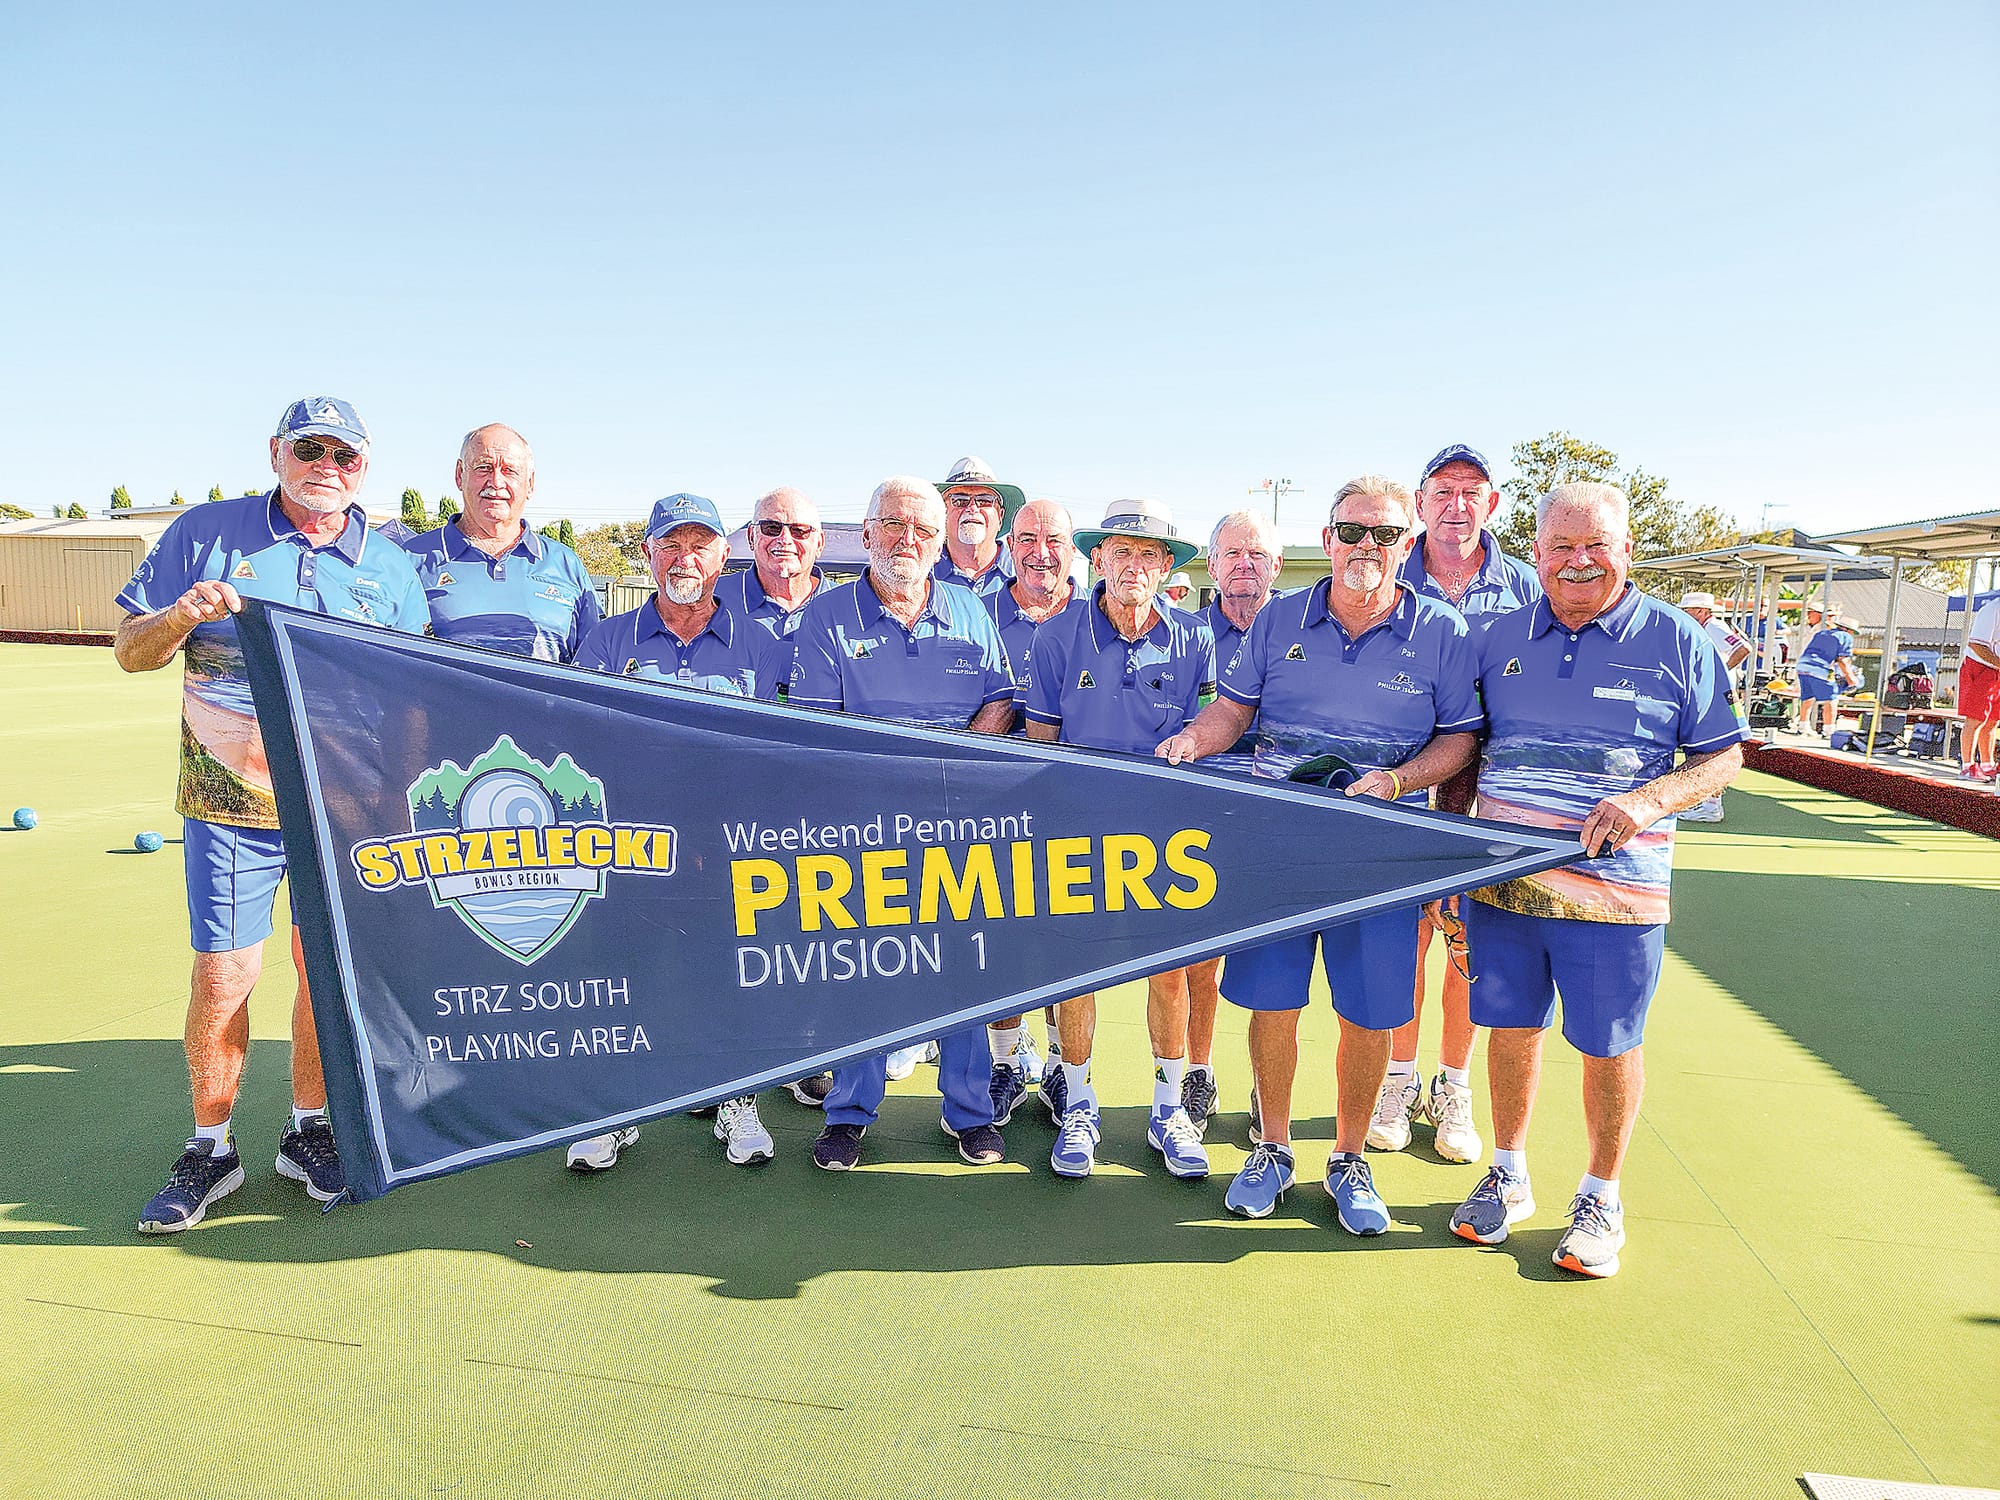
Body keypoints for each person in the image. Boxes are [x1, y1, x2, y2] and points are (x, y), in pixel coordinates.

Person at [115, 397, 428, 1232]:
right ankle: (210, 1146)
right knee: (224, 974)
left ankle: (307, 1130)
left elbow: (409, 697)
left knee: (321, 969)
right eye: (309, 448)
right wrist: (181, 616)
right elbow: (130, 651)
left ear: (364, 466)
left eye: (344, 454)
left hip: (342, 808)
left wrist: (394, 800)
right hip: (228, 802)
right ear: (276, 452)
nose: (326, 465)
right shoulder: (205, 533)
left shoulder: (391, 566)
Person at [1159, 477, 1481, 1230]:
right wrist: (1193, 740)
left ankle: (1349, 1159)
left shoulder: (1443, 630)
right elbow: (1231, 710)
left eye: (1386, 534)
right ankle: (1272, 1148)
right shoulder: (1279, 619)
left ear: (1408, 544)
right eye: (1353, 531)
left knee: (1369, 1013)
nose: (1368, 546)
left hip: (1380, 858)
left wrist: (1398, 780)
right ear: (1329, 537)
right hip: (1281, 849)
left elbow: (1460, 740)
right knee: (1273, 1003)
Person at [1449, 481, 1746, 1278]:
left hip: (1620, 895)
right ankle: (1507, 1175)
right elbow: (1465, 750)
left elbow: (1723, 756)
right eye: (1562, 547)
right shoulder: (1496, 637)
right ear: (1536, 552)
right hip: (1505, 887)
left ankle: (1600, 1197)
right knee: (1510, 1027)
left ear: (1626, 550)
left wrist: (1647, 801)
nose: (1578, 562)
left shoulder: (1679, 638)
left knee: (1610, 1045)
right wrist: (1450, 860)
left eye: (1596, 546)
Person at [789, 477, 1018, 1171]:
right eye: (893, 524)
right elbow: (821, 732)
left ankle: (969, 1113)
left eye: (922, 529)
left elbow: (1000, 702)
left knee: (963, 969)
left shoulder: (971, 611)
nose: (907, 539)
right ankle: (848, 1114)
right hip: (861, 833)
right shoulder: (827, 617)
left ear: (940, 541)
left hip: (955, 831)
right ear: (867, 534)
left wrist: (950, 773)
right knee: (864, 972)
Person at [562, 494, 795, 1173]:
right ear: (648, 555)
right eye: (670, 544)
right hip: (630, 847)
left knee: (732, 977)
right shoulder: (608, 642)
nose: (684, 559)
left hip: (726, 849)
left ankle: (736, 1102)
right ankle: (617, 1110)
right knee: (623, 978)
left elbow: (779, 753)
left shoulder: (762, 646)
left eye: (699, 545)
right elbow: (578, 743)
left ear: (724, 557)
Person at [1026, 498, 1215, 1180]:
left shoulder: (1196, 638)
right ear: (1098, 559)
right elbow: (1041, 746)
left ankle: (1168, 1109)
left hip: (1168, 841)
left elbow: (1206, 737)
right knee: (1077, 976)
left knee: (1169, 974)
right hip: (1078, 837)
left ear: (1166, 567)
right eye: (1121, 553)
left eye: (1148, 555)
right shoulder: (1055, 637)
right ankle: (1079, 1103)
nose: (1134, 566)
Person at [1379, 444, 1544, 1163]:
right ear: (1420, 503)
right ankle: (1397, 1078)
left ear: (1492, 504)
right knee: (1404, 939)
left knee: (1469, 942)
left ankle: (1454, 1085)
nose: (1457, 504)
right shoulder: (1391, 568)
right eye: (1443, 490)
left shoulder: (1527, 586)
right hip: (1406, 781)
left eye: (1472, 490)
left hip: (1493, 789)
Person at [714, 486, 836, 1106]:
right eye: (770, 528)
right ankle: (722, 1060)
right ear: (749, 536)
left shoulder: (842, 608)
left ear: (820, 542)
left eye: (799, 530)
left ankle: (805, 1049)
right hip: (737, 791)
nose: (784, 540)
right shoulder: (717, 600)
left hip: (818, 796)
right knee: (733, 927)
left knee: (810, 926)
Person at [981, 499, 1087, 1116]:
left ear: (1074, 551)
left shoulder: (1097, 618)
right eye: (1026, 539)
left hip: (1069, 806)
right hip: (995, 803)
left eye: (1053, 541)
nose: (1039, 553)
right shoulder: (977, 612)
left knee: (1062, 942)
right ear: (1008, 545)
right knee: (1003, 938)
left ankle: (1057, 1065)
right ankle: (1003, 1062)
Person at [1180, 510, 1282, 1135]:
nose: (1244, 565)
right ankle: (1198, 1071)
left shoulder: (1299, 627)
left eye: (1257, 554)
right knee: (1201, 959)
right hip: (1202, 820)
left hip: (1276, 819)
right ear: (1212, 565)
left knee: (1272, 962)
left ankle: (1264, 1085)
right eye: (1232, 554)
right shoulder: (1187, 635)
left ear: (1277, 565)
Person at [403, 424, 600, 660]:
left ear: (530, 483)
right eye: (483, 467)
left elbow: (594, 664)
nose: (496, 482)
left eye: (510, 470)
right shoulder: (409, 561)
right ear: (459, 474)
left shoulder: (566, 565)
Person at [1676, 591, 1751, 823]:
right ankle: (1707, 803)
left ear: (1701, 611)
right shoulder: (1704, 628)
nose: (1684, 614)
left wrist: (1721, 671)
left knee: (1714, 746)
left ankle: (1711, 805)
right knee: (1706, 746)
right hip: (1715, 693)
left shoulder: (1714, 627)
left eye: (1687, 610)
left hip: (1720, 694)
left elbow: (1744, 648)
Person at [932, 456, 1021, 598]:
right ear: (943, 513)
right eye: (960, 500)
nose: (972, 508)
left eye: (985, 501)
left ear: (1000, 516)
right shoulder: (922, 572)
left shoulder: (1025, 571)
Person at [1794, 608, 1859, 737]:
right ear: (1849, 630)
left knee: (1808, 696)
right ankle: (1829, 731)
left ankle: (1802, 727)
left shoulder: (1822, 633)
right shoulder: (1845, 637)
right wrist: (1851, 679)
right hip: (1820, 668)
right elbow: (1843, 660)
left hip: (1803, 666)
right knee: (1831, 699)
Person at [1957, 594, 2000, 781]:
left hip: (1996, 669)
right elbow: (1976, 645)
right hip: (1980, 667)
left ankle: (1987, 765)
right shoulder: (1992, 609)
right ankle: (1967, 767)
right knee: (1975, 719)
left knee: (1993, 720)